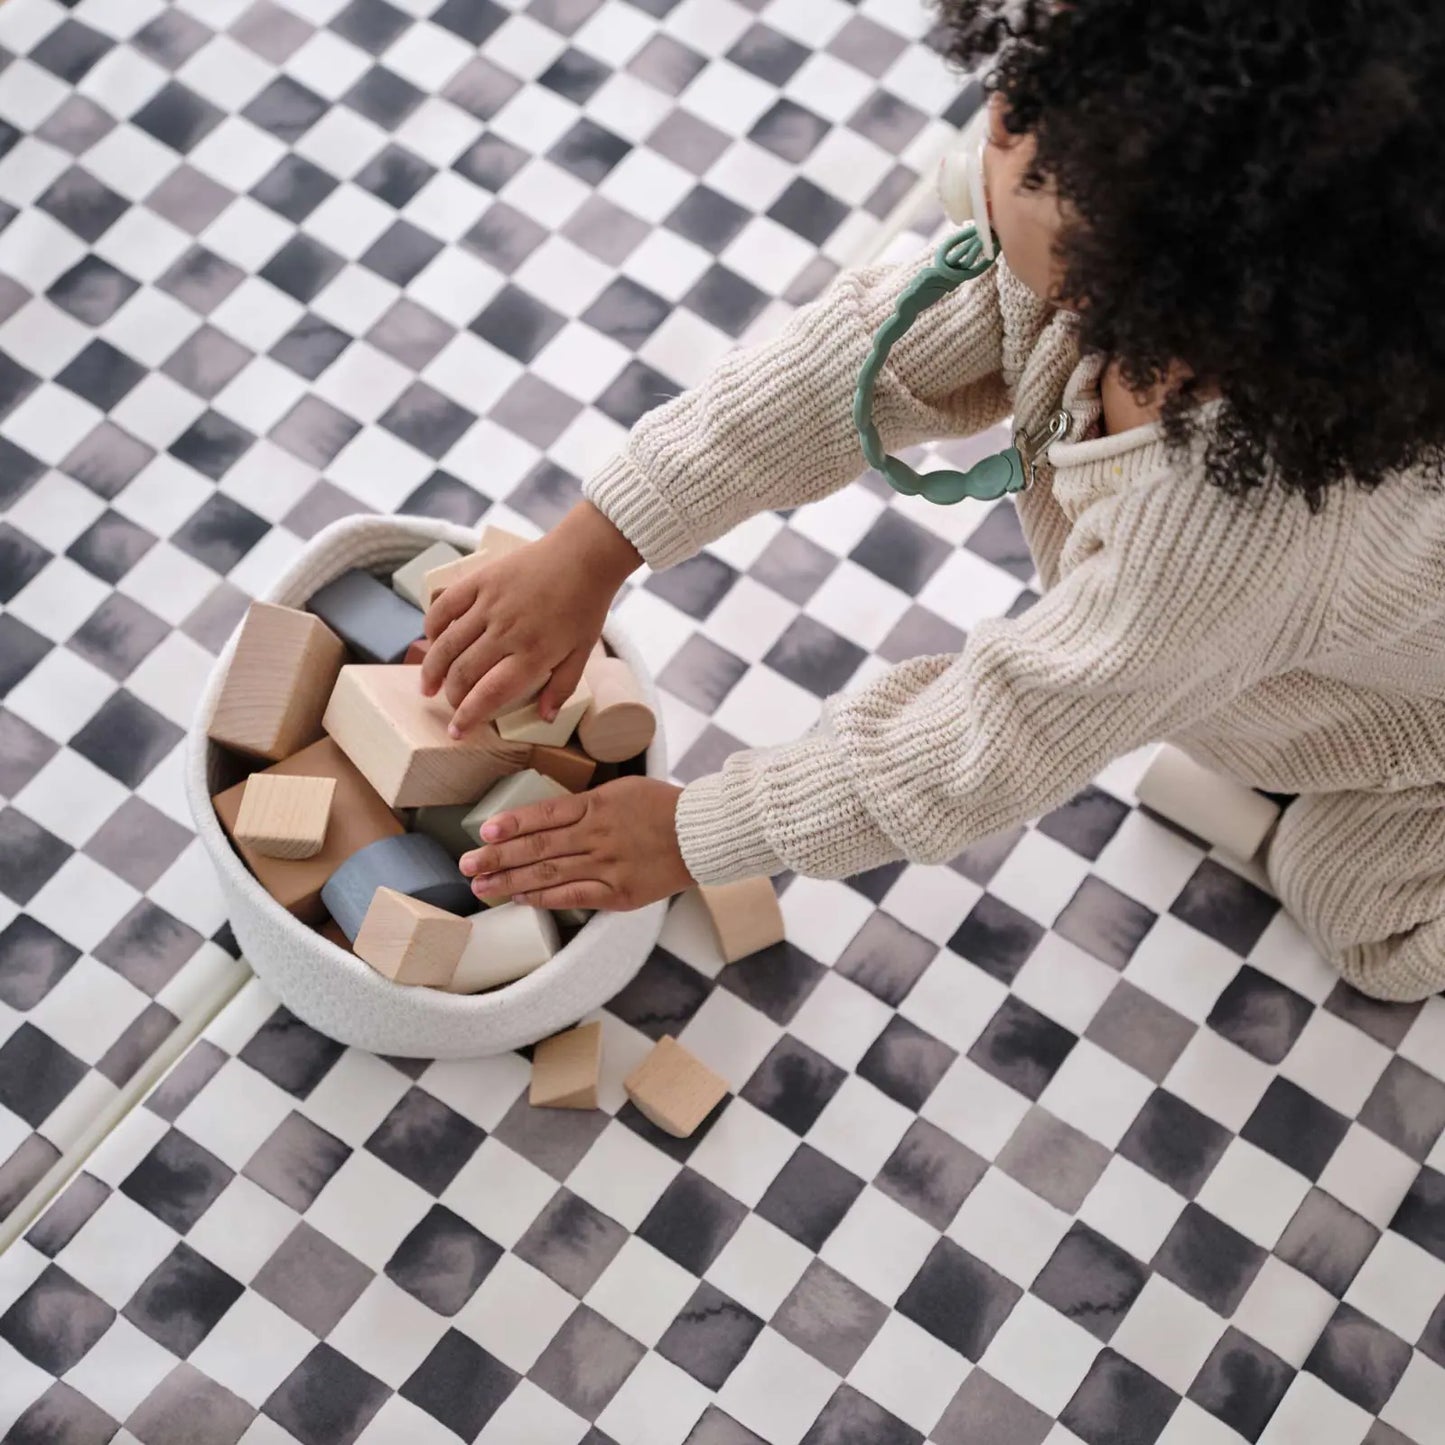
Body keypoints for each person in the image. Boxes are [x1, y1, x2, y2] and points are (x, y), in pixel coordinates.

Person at [420, 0, 1445, 1001]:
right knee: (1199, 691)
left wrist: (700, 830)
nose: (996, 110)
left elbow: (995, 736)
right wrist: (598, 540)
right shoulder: (1086, 278)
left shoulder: (1224, 539)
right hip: (1272, 649)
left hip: (1410, 728)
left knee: (1356, 913)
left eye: (1039, 122)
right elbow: (843, 366)